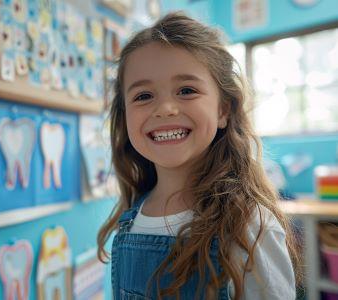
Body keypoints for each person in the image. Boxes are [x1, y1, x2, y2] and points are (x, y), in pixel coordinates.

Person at [97, 12, 301, 300]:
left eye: (187, 90)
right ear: (124, 116)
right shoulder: (132, 216)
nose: (165, 108)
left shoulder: (249, 225)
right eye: (143, 96)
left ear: (223, 110)